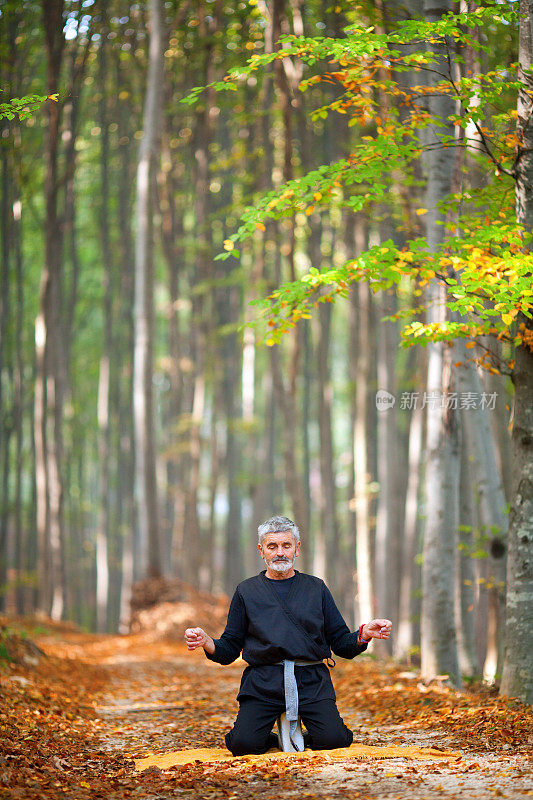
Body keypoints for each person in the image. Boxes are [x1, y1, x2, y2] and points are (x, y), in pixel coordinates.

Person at [185, 515, 392, 756]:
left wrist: (364, 633)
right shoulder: (246, 591)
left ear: (297, 548)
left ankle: (304, 734)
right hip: (263, 681)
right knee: (243, 744)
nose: (279, 552)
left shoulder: (316, 587)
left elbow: (340, 643)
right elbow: (230, 648)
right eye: (272, 547)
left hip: (311, 680)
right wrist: (208, 642)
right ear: (261, 551)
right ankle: (270, 735)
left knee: (334, 739)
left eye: (286, 545)